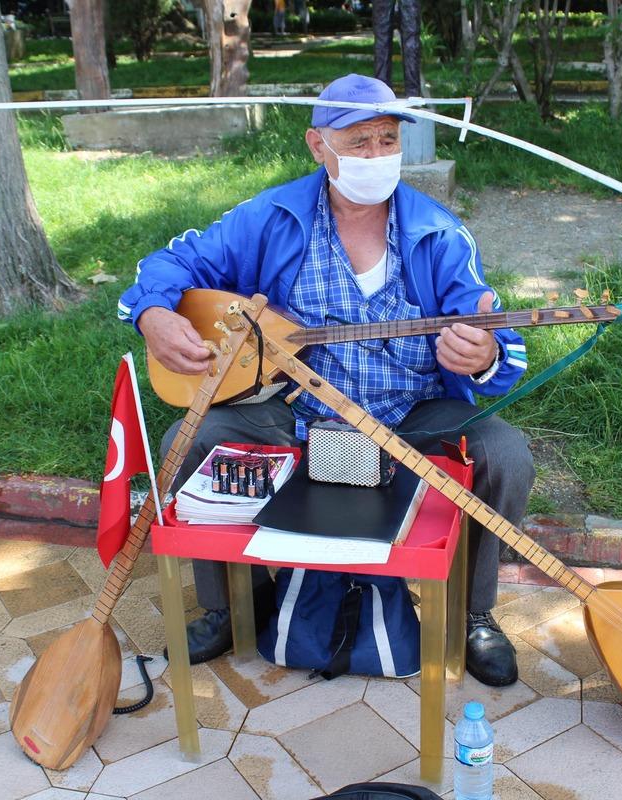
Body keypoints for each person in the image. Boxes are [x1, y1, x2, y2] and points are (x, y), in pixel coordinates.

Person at [118, 74, 535, 687]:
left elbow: (504, 343)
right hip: (294, 411)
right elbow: (170, 260)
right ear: (319, 145)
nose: (376, 155)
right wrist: (153, 314)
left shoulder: (439, 234)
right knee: (196, 435)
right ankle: (231, 601)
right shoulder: (273, 216)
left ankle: (475, 612)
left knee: (506, 454)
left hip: (410, 413)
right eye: (359, 141)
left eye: (388, 139)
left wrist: (484, 356)